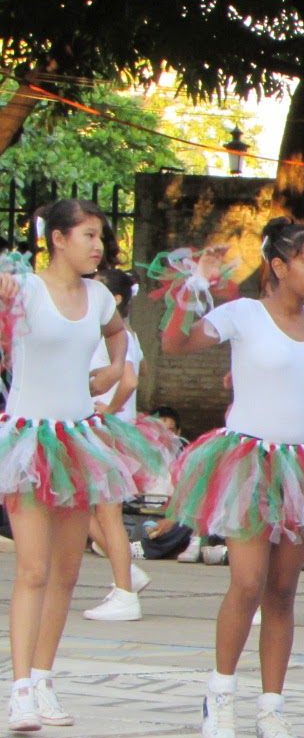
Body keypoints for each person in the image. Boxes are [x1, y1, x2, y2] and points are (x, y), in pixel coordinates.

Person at [162, 217, 304, 738]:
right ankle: (220, 696)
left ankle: (272, 709)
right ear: (279, 267)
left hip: (300, 464)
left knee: (283, 591)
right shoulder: (243, 314)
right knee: (247, 581)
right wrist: (192, 287)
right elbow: (176, 346)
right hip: (248, 461)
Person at [0, 199, 168, 732]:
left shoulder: (98, 296)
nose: (99, 246)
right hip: (29, 440)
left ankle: (45, 679)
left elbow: (118, 334)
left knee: (68, 571)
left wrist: (115, 368)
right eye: (89, 235)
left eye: (101, 237)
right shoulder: (22, 288)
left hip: (77, 440)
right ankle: (20, 688)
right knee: (32, 567)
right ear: (58, 238)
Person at [82, 264, 152, 621]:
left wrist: (106, 409)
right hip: (105, 428)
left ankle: (125, 591)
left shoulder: (112, 335)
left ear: (116, 299)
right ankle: (126, 571)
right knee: (80, 509)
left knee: (106, 511)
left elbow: (128, 380)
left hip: (105, 429)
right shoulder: (125, 334)